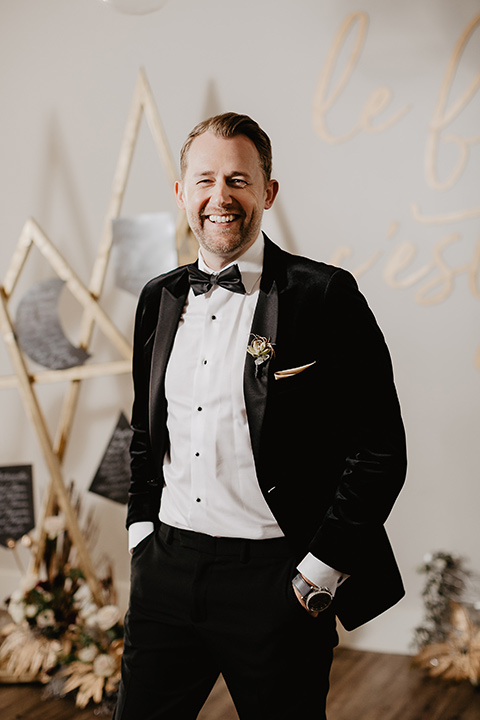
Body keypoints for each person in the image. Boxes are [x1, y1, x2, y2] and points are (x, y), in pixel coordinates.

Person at [113, 112, 407, 720]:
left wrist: (315, 577)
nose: (220, 197)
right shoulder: (157, 297)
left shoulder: (325, 296)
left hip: (276, 580)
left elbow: (380, 452)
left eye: (239, 181)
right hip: (166, 573)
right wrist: (142, 537)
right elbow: (144, 434)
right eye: (205, 180)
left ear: (267, 192)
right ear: (181, 192)